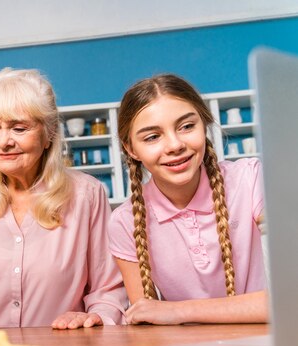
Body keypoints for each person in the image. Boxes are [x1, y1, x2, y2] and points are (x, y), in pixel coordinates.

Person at [0, 68, 127, 329]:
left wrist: (94, 318)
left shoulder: (86, 195)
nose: (3, 142)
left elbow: (108, 291)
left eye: (19, 128)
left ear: (49, 135)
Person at [109, 74, 267, 325]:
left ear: (204, 125)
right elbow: (145, 317)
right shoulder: (124, 222)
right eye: (152, 137)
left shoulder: (250, 179)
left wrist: (178, 311)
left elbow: (286, 300)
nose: (174, 145)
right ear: (130, 149)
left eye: (186, 126)